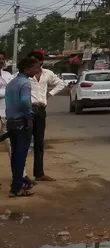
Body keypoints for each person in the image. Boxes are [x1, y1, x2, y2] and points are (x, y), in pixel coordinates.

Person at [28, 51, 67, 182]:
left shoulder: (47, 74)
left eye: (35, 60)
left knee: (39, 143)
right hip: (27, 110)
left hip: (40, 111)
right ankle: (21, 175)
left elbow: (61, 84)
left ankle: (39, 173)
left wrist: (49, 95)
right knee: (24, 143)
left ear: (40, 61)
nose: (33, 63)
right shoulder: (23, 75)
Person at [6, 56, 42, 197]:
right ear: (27, 69)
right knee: (21, 156)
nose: (38, 70)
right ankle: (16, 188)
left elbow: (13, 104)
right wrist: (30, 113)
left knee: (15, 155)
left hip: (11, 122)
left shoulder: (12, 83)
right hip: (22, 123)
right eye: (35, 68)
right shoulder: (25, 83)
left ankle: (16, 184)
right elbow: (24, 103)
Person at [0, 51, 13, 143]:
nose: (1, 61)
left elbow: (13, 91)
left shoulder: (8, 75)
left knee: (8, 140)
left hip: (6, 113)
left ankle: (14, 158)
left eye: (2, 59)